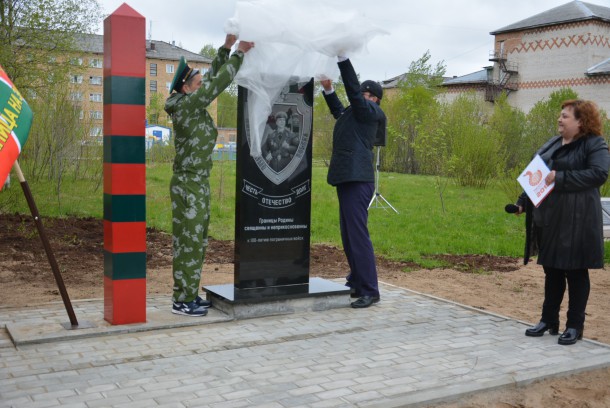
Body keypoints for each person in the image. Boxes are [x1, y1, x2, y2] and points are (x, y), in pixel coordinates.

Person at [165, 35, 253, 316]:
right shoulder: (185, 106)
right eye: (197, 83)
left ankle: (190, 293)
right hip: (188, 182)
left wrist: (226, 48)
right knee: (188, 242)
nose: (201, 85)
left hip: (198, 182)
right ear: (185, 88)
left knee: (198, 241)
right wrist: (239, 53)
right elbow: (217, 84)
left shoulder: (192, 102)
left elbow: (211, 77)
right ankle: (182, 300)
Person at [514, 99, 610, 344]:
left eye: (565, 116)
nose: (559, 119)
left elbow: (599, 174)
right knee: (552, 271)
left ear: (581, 122)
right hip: (553, 219)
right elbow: (536, 174)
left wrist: (560, 177)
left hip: (580, 219)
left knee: (576, 272)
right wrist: (523, 201)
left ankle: (575, 326)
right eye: (561, 115)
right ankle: (548, 320)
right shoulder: (553, 144)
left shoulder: (594, 144)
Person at [320, 56, 386, 309]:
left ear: (375, 99)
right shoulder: (356, 113)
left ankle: (370, 289)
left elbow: (352, 95)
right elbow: (339, 110)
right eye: (363, 94)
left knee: (358, 236)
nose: (363, 97)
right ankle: (358, 281)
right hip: (347, 177)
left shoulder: (371, 111)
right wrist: (328, 89)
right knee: (349, 235)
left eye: (367, 94)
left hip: (358, 180)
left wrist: (343, 60)